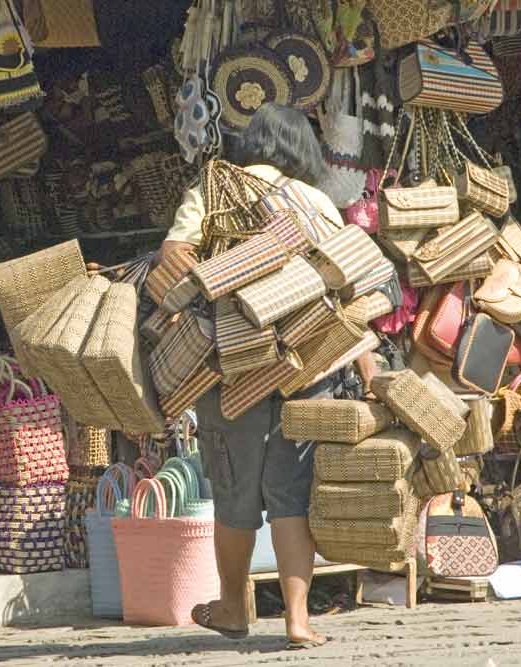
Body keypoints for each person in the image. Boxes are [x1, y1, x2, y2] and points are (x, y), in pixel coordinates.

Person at [159, 104, 377, 650]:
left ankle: (233, 606)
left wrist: (229, 281)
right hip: (307, 363)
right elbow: (348, 286)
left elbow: (175, 254)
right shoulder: (317, 201)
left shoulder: (213, 189)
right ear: (302, 147)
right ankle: (298, 619)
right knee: (291, 493)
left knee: (233, 490)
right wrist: (368, 367)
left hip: (232, 365)